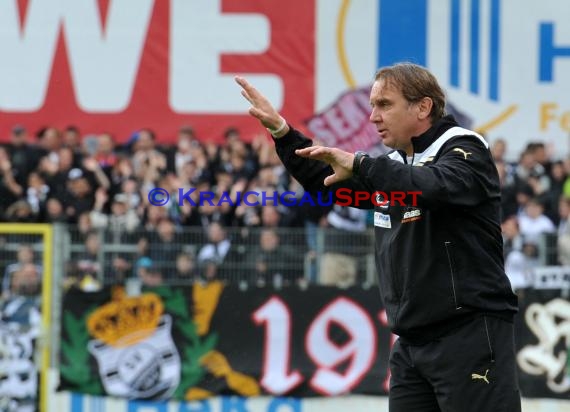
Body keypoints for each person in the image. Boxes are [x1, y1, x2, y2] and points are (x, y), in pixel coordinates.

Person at [235, 62, 521, 411]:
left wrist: (364, 165)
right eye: (372, 105)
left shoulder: (463, 147)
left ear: (423, 107)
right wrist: (281, 132)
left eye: (384, 104)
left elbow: (434, 186)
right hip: (411, 345)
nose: (372, 117)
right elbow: (329, 184)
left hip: (469, 335)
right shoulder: (395, 165)